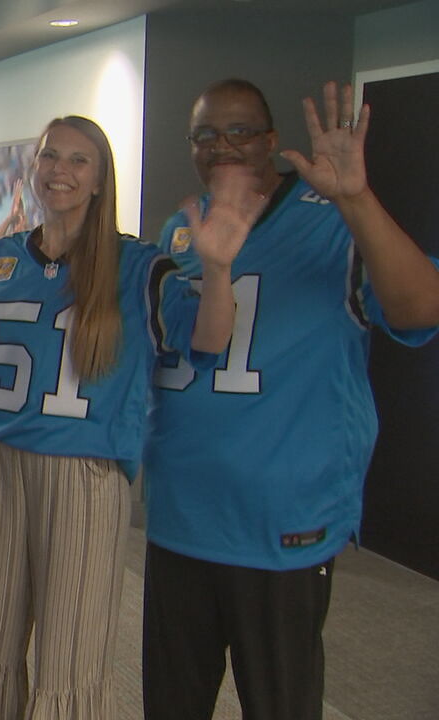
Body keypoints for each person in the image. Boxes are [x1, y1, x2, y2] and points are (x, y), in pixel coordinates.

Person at [0, 116, 261, 720]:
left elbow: (209, 342)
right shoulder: (1, 259)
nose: (61, 170)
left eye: (79, 160)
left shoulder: (138, 266)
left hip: (85, 481)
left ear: (99, 179)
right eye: (50, 156)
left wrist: (217, 269)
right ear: (34, 168)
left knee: (70, 656)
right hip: (0, 471)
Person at [142, 80, 439, 720]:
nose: (223, 147)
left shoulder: (332, 219)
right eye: (206, 135)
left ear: (272, 142)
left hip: (280, 526)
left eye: (240, 132)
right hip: (180, 519)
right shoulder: (181, 230)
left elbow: (421, 308)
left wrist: (356, 198)